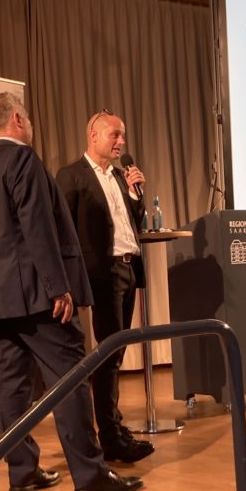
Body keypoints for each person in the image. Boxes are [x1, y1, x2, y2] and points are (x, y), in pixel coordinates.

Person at [0, 93, 144, 491]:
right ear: (17, 119)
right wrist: (57, 286)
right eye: (26, 117)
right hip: (37, 296)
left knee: (13, 386)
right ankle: (91, 475)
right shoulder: (23, 160)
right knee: (71, 378)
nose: (29, 123)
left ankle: (22, 471)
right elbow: (38, 227)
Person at [56, 110, 155, 463]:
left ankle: (114, 427)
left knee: (116, 352)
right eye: (115, 134)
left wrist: (135, 196)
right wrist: (68, 282)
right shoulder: (72, 175)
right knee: (108, 354)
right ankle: (110, 437)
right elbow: (63, 232)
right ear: (94, 136)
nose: (121, 142)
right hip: (102, 273)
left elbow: (132, 223)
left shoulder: (118, 176)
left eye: (122, 135)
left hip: (128, 269)